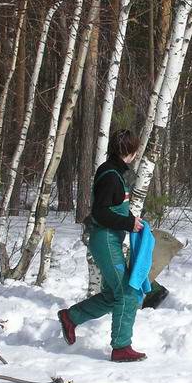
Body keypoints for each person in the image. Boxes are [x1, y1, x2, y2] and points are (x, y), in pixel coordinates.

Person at [58, 129, 148, 362]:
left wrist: (130, 223)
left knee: (111, 295)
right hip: (105, 238)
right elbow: (101, 213)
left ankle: (71, 317)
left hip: (110, 238)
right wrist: (129, 222)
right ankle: (121, 347)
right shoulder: (110, 174)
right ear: (130, 151)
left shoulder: (114, 171)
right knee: (127, 293)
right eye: (135, 151)